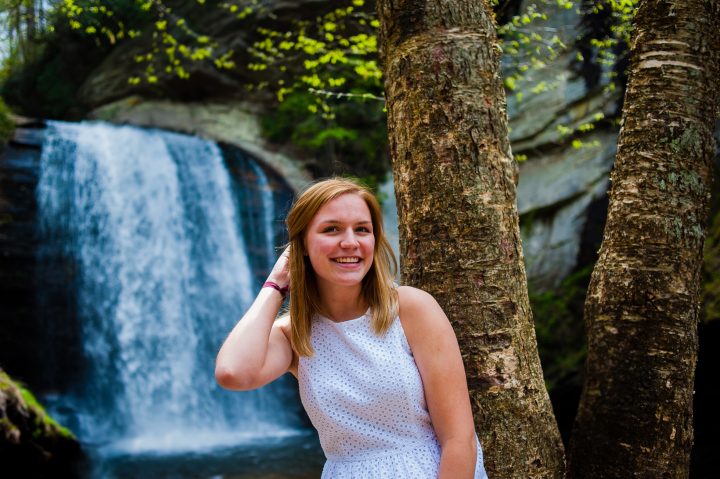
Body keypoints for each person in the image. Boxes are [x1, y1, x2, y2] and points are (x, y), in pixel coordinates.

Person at [216, 177, 488, 478]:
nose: (350, 242)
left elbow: (459, 440)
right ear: (302, 245)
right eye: (331, 229)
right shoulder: (295, 334)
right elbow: (233, 373)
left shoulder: (411, 309)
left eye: (362, 229)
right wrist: (275, 285)